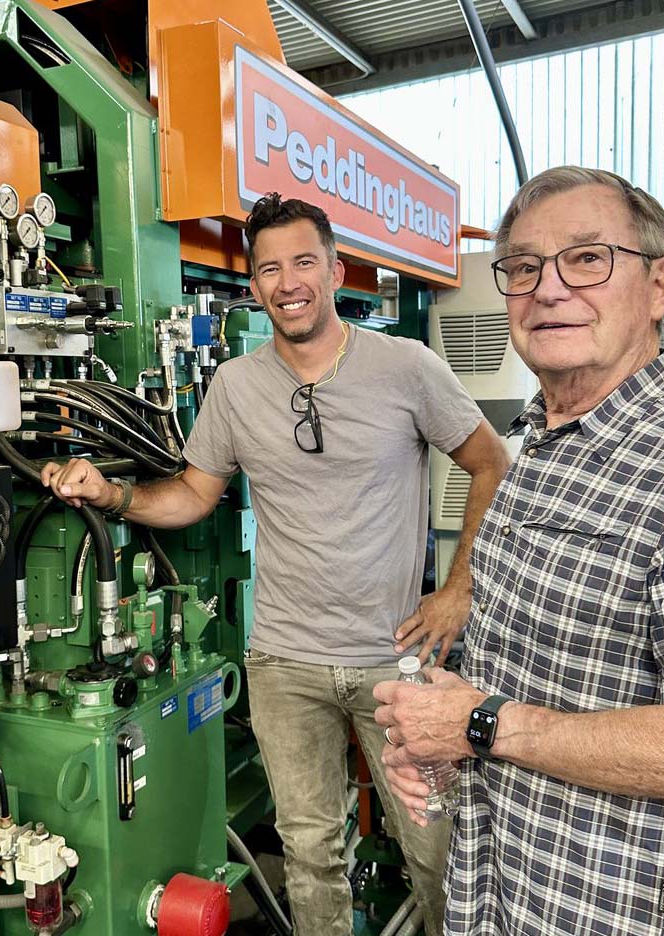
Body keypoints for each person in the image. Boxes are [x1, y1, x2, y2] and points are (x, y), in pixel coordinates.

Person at [41, 193, 512, 935]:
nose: (287, 282)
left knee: (440, 852)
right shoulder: (234, 386)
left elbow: (492, 463)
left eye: (303, 262)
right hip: (285, 665)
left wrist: (460, 587)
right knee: (311, 855)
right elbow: (195, 494)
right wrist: (114, 494)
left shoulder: (407, 367)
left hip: (396, 662)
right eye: (269, 269)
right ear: (253, 286)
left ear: (335, 269)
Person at [375, 166, 664, 936]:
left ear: (659, 284)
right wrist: (441, 734)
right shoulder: (534, 450)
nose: (549, 288)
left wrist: (478, 724)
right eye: (524, 267)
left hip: (610, 909)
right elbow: (524, 679)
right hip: (501, 883)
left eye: (588, 258)